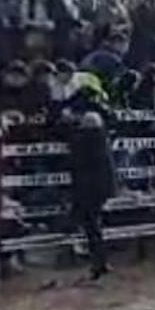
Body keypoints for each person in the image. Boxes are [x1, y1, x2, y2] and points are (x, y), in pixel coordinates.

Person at [65, 111, 116, 280]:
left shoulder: (84, 140)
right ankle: (100, 261)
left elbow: (73, 151)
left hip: (88, 190)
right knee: (94, 225)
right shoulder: (102, 138)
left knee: (90, 225)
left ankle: (98, 262)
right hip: (101, 189)